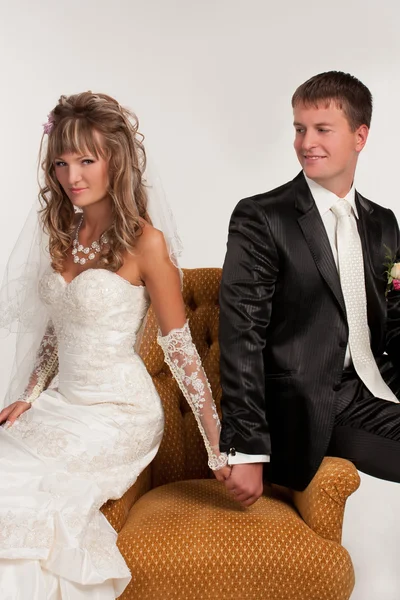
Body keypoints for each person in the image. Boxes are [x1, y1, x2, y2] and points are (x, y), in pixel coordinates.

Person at [0, 92, 230, 599]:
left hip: (119, 414)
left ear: (116, 161)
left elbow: (181, 349)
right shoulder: (62, 230)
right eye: (61, 163)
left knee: (24, 496)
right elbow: (58, 330)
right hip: (62, 404)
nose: (72, 176)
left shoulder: (146, 242)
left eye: (87, 159)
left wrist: (218, 446)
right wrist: (31, 393)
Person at [219, 70, 400, 507]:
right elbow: (241, 335)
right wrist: (245, 447)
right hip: (311, 403)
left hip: (376, 381)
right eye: (300, 129)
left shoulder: (382, 222)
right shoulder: (262, 217)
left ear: (360, 136)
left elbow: (394, 324)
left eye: (322, 129)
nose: (305, 142)